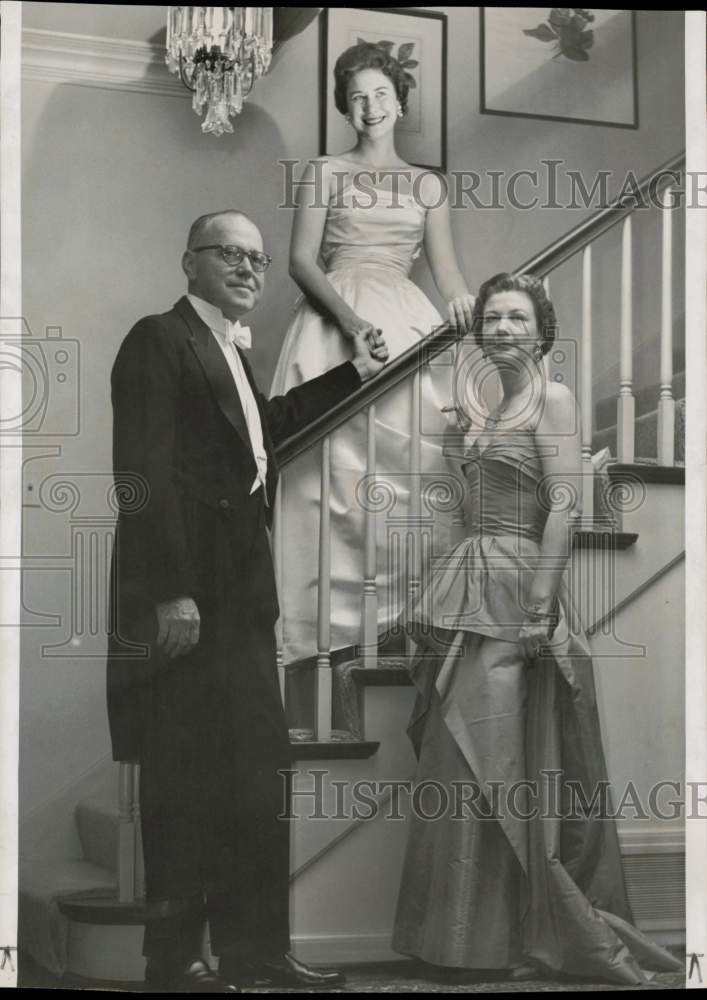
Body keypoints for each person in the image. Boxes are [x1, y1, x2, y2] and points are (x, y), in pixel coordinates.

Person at [107, 209, 388, 992]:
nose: (247, 268)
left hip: (241, 601)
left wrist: (352, 375)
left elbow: (266, 432)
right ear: (188, 262)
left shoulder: (229, 352)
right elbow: (142, 473)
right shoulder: (157, 340)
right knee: (182, 778)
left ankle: (256, 952)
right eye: (228, 253)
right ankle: (173, 962)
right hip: (187, 600)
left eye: (258, 260)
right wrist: (170, 593)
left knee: (257, 777)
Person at [391, 273, 683, 984]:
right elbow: (455, 505)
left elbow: (562, 506)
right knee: (457, 759)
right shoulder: (484, 408)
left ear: (542, 330)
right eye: (492, 318)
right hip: (469, 580)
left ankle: (509, 940)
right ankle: (457, 941)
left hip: (520, 585)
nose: (501, 329)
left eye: (517, 318)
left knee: (498, 760)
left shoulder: (551, 399)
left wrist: (539, 605)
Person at [270, 42, 475, 681]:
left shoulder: (427, 185)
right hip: (335, 319)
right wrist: (352, 322)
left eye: (380, 94)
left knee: (411, 477)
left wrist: (466, 301)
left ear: (399, 101)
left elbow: (447, 273)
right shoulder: (325, 172)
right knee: (326, 481)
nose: (370, 107)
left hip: (407, 315)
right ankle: (319, 643)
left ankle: (403, 629)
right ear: (345, 106)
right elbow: (302, 261)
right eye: (357, 96)